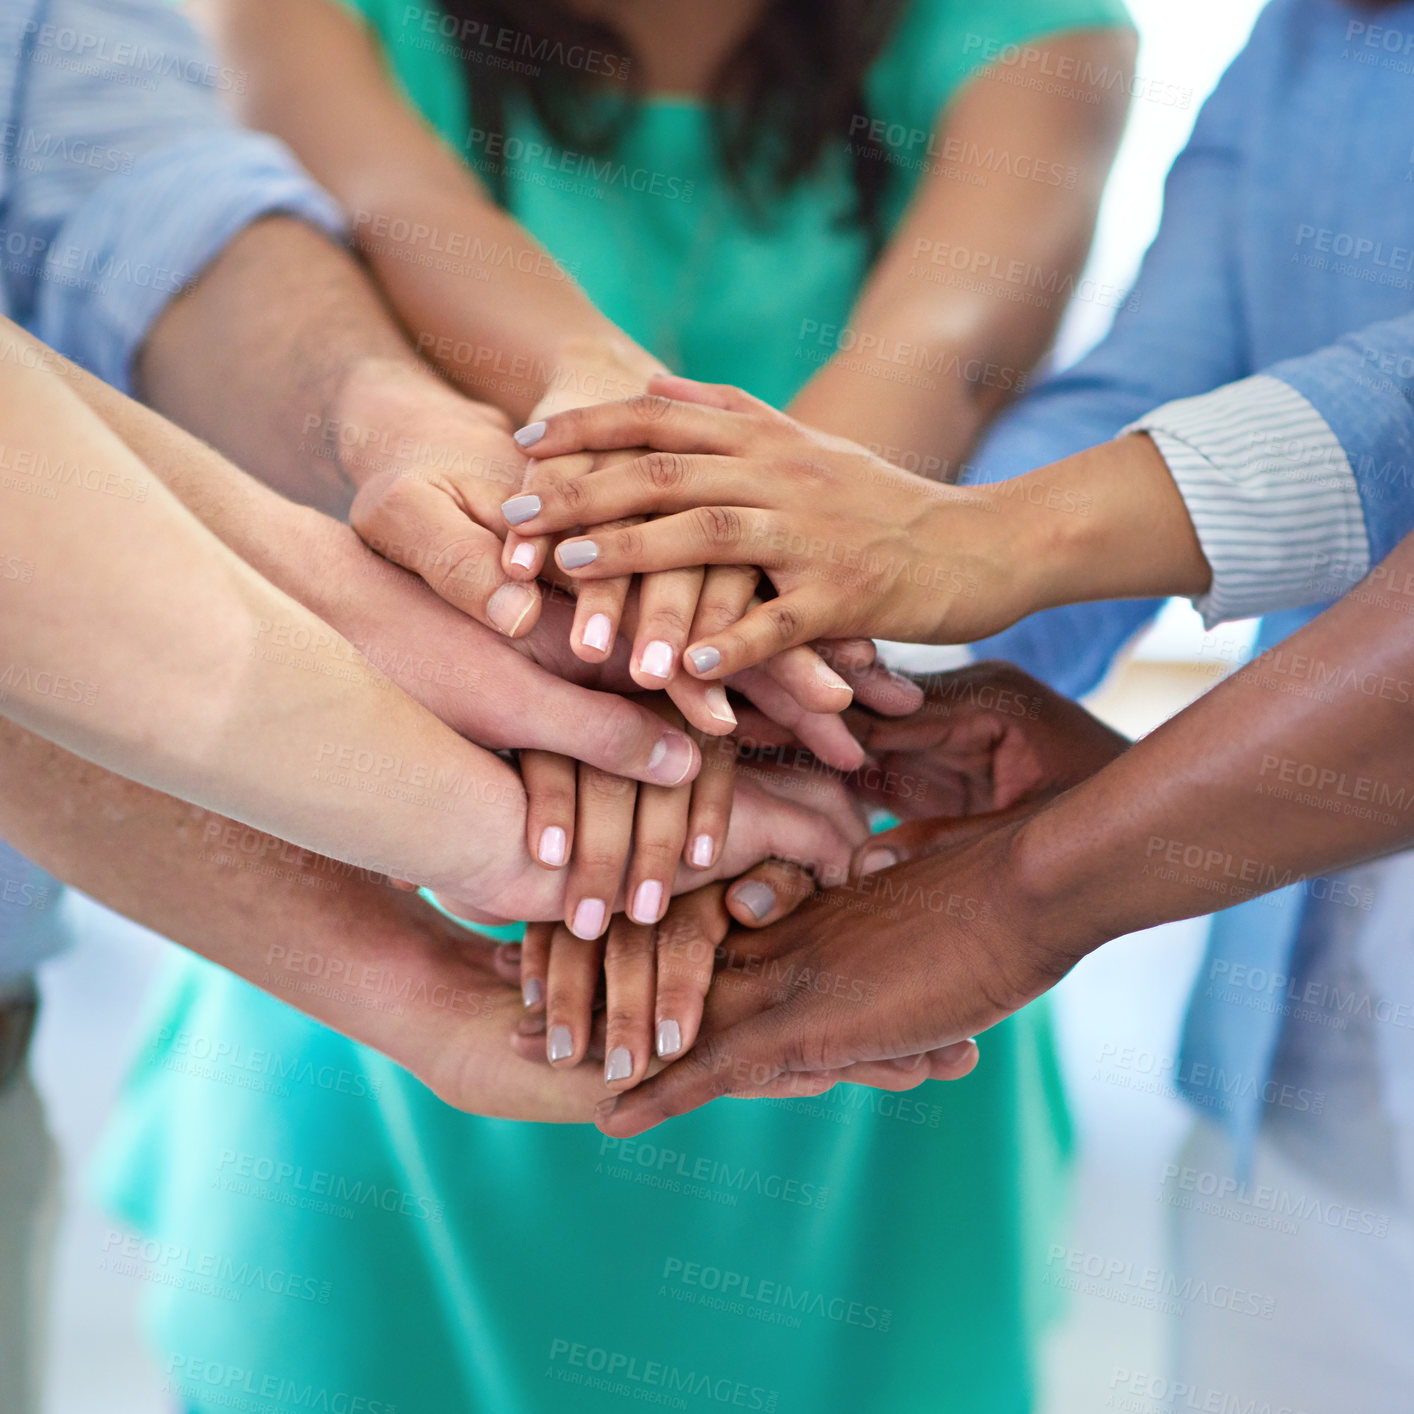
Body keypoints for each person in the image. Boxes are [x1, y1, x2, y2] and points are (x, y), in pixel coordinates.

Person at [99, 1, 1136, 1410]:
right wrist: (696, 614)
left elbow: (932, 370)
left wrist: (669, 672)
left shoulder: (1025, 33)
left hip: (827, 883)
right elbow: (402, 220)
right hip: (397, 868)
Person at [513, 0, 1414, 1405]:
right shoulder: (1305, 40)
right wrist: (794, 686)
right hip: (1293, 1068)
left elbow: (1379, 411)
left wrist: (1023, 888)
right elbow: (1135, 401)